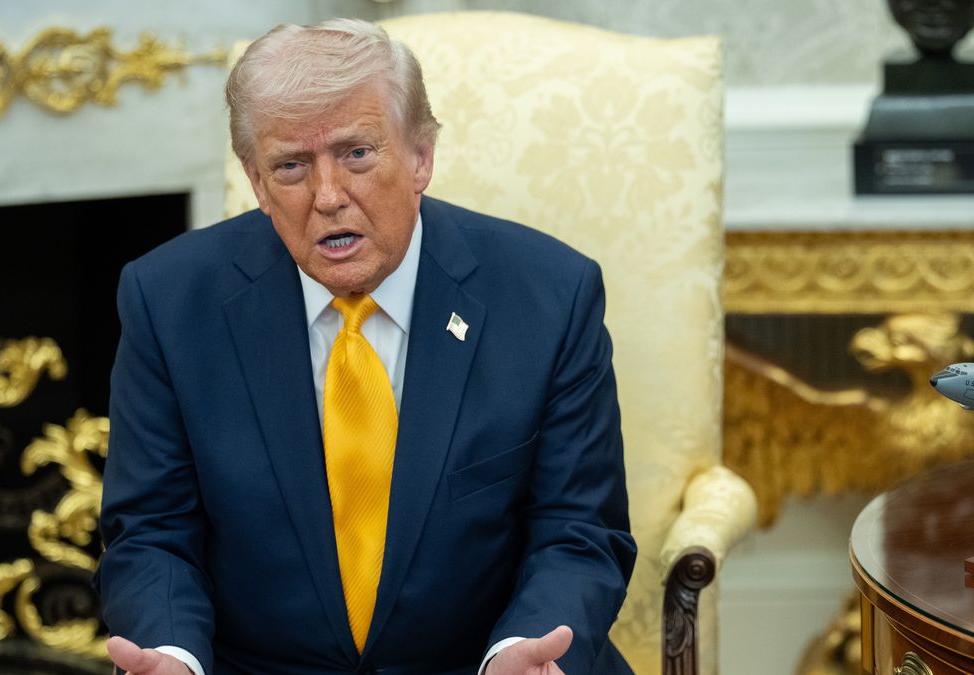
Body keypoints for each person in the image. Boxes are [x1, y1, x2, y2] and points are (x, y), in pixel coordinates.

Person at [95, 17, 636, 675]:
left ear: (420, 157)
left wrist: (518, 651)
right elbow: (152, 532)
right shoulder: (168, 300)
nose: (327, 196)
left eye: (357, 153)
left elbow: (578, 531)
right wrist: (173, 653)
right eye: (291, 165)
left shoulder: (551, 296)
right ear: (257, 181)